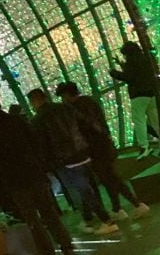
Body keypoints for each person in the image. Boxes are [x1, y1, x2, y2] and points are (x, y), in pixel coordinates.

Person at [0, 96, 76, 255]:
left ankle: (46, 249)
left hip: (15, 183)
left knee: (32, 220)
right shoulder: (18, 121)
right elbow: (37, 144)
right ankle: (66, 245)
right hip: (34, 174)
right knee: (49, 212)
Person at [27, 88, 118, 235]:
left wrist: (46, 164)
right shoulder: (65, 108)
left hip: (64, 161)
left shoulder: (38, 120)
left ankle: (107, 221)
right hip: (83, 153)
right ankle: (88, 219)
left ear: (35, 101)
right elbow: (87, 124)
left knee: (82, 191)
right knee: (88, 188)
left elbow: (42, 145)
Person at [55, 81, 149, 220]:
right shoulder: (90, 102)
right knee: (109, 178)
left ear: (67, 94)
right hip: (105, 145)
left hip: (95, 149)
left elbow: (85, 128)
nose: (63, 99)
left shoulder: (76, 108)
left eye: (62, 96)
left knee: (111, 179)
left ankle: (137, 204)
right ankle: (117, 209)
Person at [111, 42, 160, 159]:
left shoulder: (131, 62)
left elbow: (129, 77)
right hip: (151, 93)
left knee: (139, 120)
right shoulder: (146, 58)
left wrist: (114, 73)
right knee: (155, 120)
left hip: (138, 95)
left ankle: (144, 147)